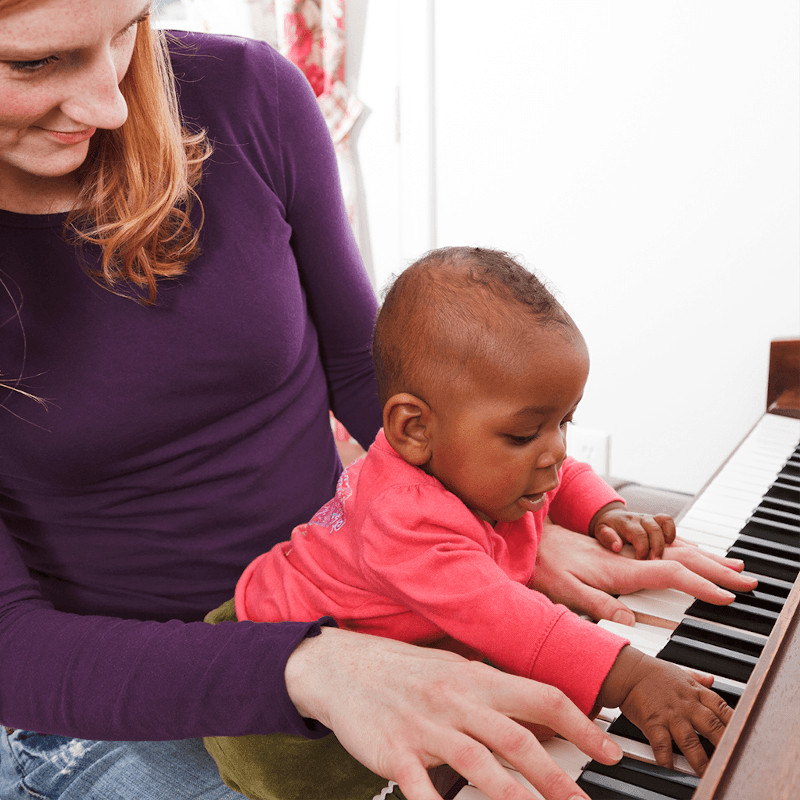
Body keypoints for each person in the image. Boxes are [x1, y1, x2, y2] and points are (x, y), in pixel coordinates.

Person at [0, 3, 757, 800]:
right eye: (33, 64)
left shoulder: (246, 95)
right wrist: (314, 661)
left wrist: (505, 520)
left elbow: (372, 378)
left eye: (127, 29)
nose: (113, 105)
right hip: (109, 690)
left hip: (355, 592)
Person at [204, 247, 735, 799]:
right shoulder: (405, 520)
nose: (555, 450)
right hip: (270, 678)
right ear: (414, 429)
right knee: (407, 765)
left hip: (390, 627)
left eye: (564, 421)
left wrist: (607, 511)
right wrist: (633, 679)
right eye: (524, 435)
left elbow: (568, 474)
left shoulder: (476, 462)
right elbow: (516, 622)